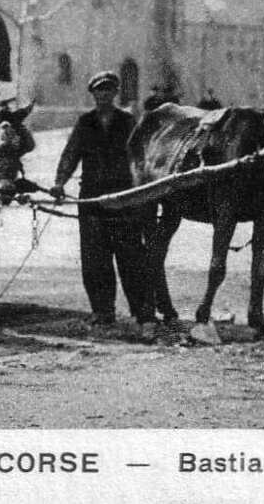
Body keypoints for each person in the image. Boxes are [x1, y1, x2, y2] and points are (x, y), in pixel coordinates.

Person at [52, 71, 155, 332]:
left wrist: (140, 188)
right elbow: (70, 154)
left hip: (123, 199)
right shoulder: (85, 122)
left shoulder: (128, 121)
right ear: (93, 94)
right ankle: (103, 311)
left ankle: (142, 312)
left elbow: (140, 158)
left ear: (115, 93)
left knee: (131, 256)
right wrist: (60, 182)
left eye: (109, 90)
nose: (104, 94)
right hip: (92, 199)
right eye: (99, 90)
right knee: (95, 259)